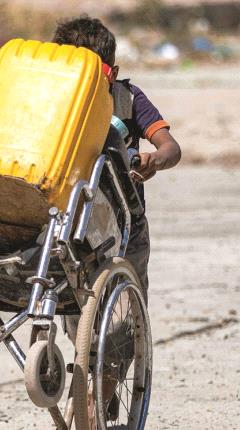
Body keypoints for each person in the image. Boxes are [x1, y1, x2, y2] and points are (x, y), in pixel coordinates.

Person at [53, 15, 181, 425]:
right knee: (81, 328)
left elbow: (170, 147)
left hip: (126, 228)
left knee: (123, 326)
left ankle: (95, 401)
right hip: (73, 226)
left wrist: (154, 159)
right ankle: (91, 392)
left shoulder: (127, 99)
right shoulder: (51, 97)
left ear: (111, 72)